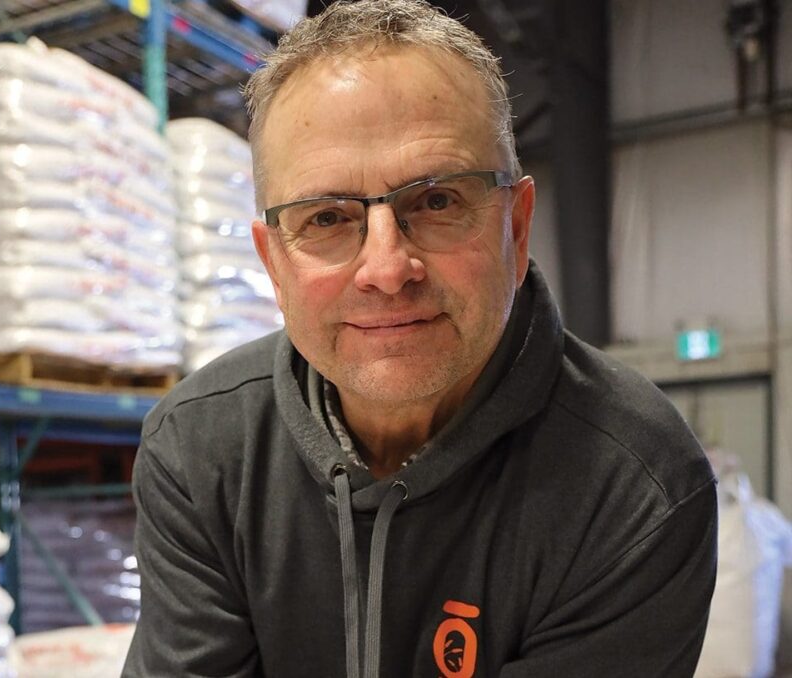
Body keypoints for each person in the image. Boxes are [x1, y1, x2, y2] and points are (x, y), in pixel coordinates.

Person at [122, 0, 718, 675]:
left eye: (436, 201)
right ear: (275, 265)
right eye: (325, 218)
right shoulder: (200, 452)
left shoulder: (635, 485)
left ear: (515, 229)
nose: (384, 269)